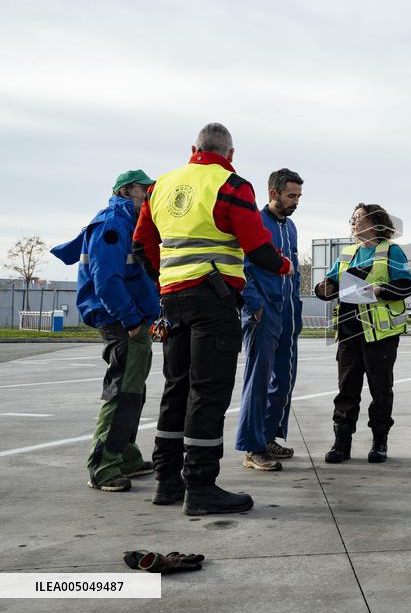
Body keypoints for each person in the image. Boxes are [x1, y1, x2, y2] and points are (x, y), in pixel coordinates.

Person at [133, 122, 292, 515]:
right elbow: (257, 247)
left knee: (176, 389)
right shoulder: (233, 186)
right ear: (230, 154)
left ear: (194, 149)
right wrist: (284, 266)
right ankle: (201, 487)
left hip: (172, 300)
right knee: (208, 392)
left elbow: (141, 244)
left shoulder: (160, 186)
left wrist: (165, 278)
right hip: (214, 300)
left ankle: (167, 480)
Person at [51, 170, 160, 492]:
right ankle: (103, 467)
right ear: (126, 192)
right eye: (145, 191)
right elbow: (107, 281)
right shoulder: (113, 224)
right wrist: (131, 320)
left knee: (133, 392)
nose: (150, 197)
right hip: (123, 322)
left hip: (133, 319)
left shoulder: (130, 222)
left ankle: (125, 456)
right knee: (123, 392)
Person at [314, 203, 411, 464]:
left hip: (380, 336)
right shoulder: (347, 253)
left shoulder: (391, 251)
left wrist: (379, 290)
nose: (353, 222)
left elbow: (405, 286)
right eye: (352, 218)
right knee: (346, 389)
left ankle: (379, 442)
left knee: (381, 390)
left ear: (375, 221)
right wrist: (323, 288)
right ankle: (341, 443)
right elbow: (331, 283)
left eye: (358, 217)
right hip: (348, 332)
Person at [235, 169, 304, 472]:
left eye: (299, 196)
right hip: (263, 311)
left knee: (284, 379)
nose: (296, 202)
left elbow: (294, 269)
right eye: (291, 196)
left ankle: (267, 436)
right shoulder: (255, 223)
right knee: (258, 380)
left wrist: (296, 307)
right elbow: (241, 267)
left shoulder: (291, 227)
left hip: (287, 312)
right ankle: (252, 447)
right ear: (273, 193)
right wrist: (253, 306)